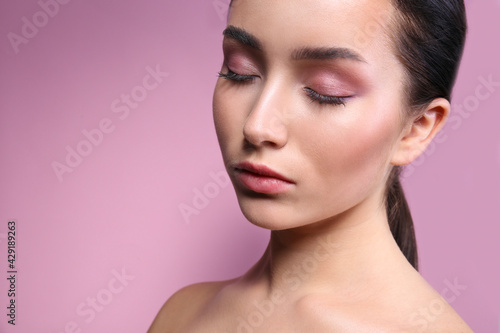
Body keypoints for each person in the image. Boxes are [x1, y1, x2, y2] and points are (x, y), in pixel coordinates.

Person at [148, 0, 473, 331]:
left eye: (324, 92)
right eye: (240, 71)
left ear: (416, 128)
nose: (257, 126)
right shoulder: (181, 315)